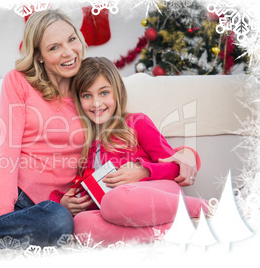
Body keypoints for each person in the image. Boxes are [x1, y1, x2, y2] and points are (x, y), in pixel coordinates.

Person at [0, 9, 200, 249]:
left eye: (71, 40)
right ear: (39, 55)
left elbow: (127, 132)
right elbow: (8, 149)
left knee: (59, 223)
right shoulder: (19, 82)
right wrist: (2, 212)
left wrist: (181, 157)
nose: (68, 52)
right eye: (54, 47)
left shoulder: (88, 89)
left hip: (45, 206)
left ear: (81, 39)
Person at [63, 57, 208, 245]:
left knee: (115, 200)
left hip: (158, 194)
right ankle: (170, 232)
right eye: (87, 95)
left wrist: (143, 171)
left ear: (117, 93)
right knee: (81, 224)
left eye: (104, 93)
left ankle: (203, 208)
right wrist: (68, 204)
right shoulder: (86, 145)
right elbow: (97, 199)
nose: (96, 103)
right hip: (119, 211)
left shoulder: (136, 122)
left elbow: (174, 167)